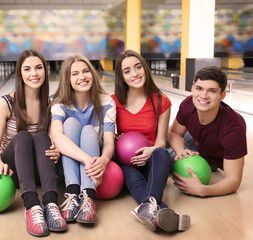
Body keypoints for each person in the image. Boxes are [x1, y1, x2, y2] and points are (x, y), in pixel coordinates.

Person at [0, 49, 67, 237]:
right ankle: (31, 206)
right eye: (28, 69)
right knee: (23, 136)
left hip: (40, 171)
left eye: (39, 68)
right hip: (13, 170)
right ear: (20, 73)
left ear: (46, 71)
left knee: (41, 137)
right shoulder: (6, 103)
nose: (34, 73)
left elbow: (53, 140)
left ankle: (50, 203)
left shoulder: (51, 105)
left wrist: (56, 150)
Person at [112, 50, 190, 232]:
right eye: (127, 71)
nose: (135, 74)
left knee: (162, 152)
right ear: (122, 77)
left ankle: (148, 207)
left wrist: (149, 150)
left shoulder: (162, 101)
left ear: (145, 68)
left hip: (152, 160)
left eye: (138, 67)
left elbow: (161, 142)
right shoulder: (113, 101)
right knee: (131, 177)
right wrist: (117, 139)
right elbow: (108, 135)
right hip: (126, 161)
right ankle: (161, 210)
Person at [50, 54, 116, 224]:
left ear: (92, 74)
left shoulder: (106, 102)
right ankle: (73, 193)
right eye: (75, 74)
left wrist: (104, 159)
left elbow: (109, 142)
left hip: (97, 160)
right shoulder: (59, 104)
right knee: (70, 123)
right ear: (67, 79)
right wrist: (87, 160)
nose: (82, 77)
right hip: (78, 164)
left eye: (86, 71)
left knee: (88, 130)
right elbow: (57, 136)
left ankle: (88, 197)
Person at [168, 65, 247, 197]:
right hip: (196, 140)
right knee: (155, 137)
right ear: (192, 89)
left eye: (212, 91)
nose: (203, 96)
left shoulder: (234, 127)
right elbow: (175, 133)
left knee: (159, 156)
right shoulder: (188, 104)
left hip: (208, 158)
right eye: (199, 88)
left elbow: (233, 180)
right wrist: (180, 151)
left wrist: (203, 190)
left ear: (222, 95)